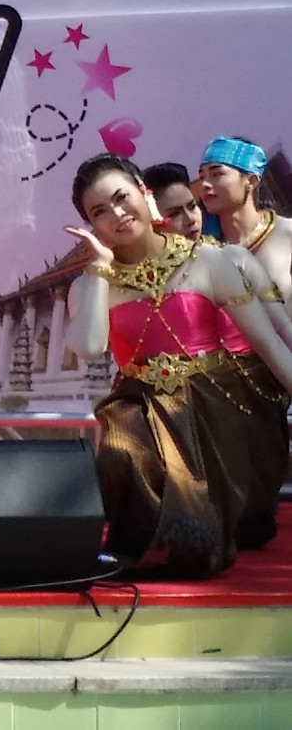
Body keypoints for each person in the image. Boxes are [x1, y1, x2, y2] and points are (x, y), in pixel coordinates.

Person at [63, 153, 292, 575]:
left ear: (143, 194)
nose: (116, 214)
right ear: (91, 226)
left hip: (218, 405)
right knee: (120, 448)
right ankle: (146, 545)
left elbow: (269, 345)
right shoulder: (89, 285)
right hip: (142, 407)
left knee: (203, 539)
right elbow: (89, 346)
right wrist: (98, 270)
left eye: (121, 198)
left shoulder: (209, 260)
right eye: (100, 212)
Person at [153, 156, 292, 547]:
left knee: (253, 525)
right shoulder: (143, 278)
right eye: (174, 213)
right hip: (184, 408)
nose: (191, 219)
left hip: (251, 395)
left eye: (192, 207)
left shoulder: (235, 258)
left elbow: (280, 329)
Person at [197, 137, 292, 300]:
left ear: (251, 181)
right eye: (202, 176)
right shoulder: (205, 254)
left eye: (216, 174)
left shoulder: (287, 233)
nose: (205, 184)